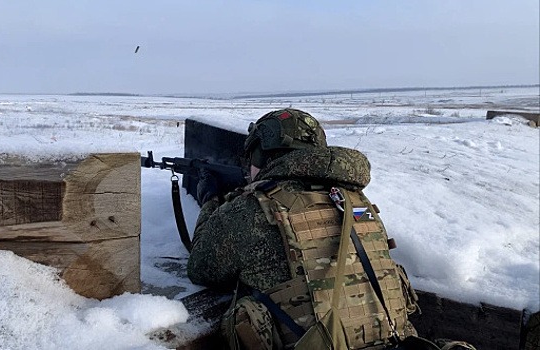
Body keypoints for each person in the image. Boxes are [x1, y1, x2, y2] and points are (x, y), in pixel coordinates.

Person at [187, 108, 473, 350]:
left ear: (260, 156)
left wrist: (210, 202)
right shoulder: (355, 201)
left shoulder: (250, 209)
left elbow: (201, 268)